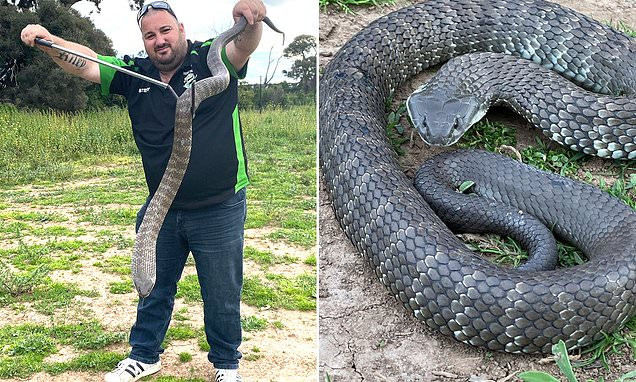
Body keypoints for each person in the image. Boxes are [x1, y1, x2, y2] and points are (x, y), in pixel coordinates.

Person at [20, 1, 267, 381]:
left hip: (219, 204)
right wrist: (50, 41)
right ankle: (145, 354)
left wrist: (251, 17)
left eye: (165, 31)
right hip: (162, 206)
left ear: (180, 29)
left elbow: (244, 45)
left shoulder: (208, 58)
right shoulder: (136, 73)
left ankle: (225, 364)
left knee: (221, 292)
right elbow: (87, 62)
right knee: (152, 287)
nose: (159, 40)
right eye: (150, 35)